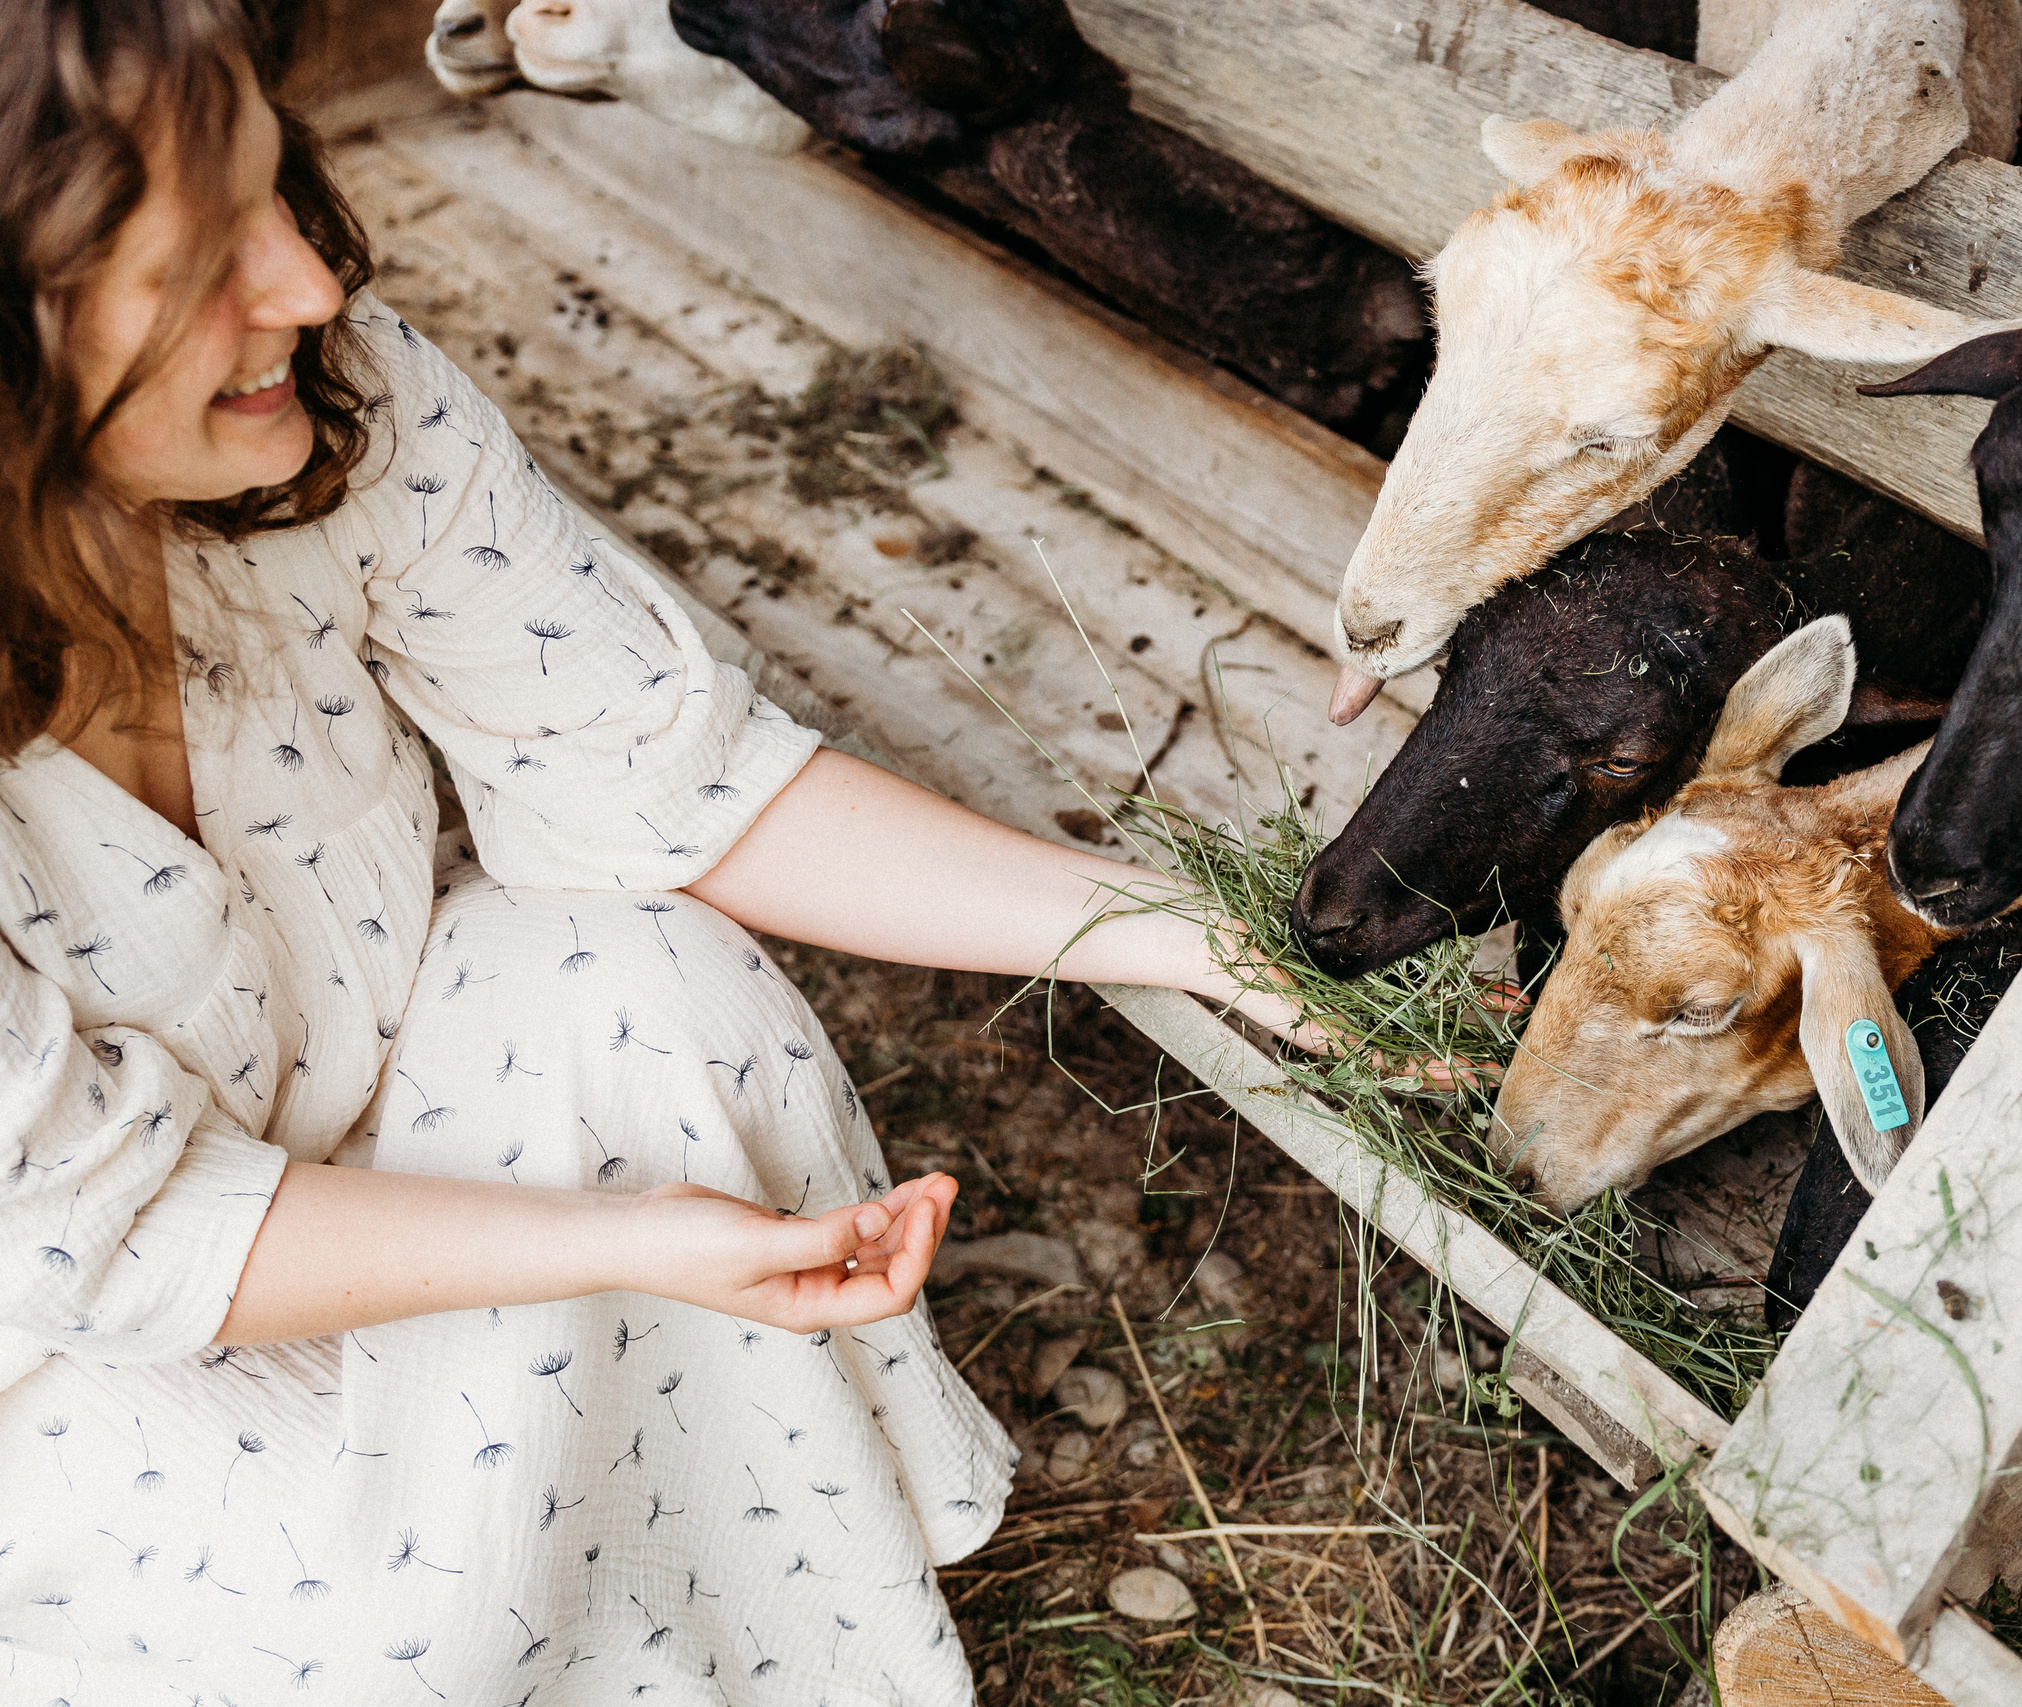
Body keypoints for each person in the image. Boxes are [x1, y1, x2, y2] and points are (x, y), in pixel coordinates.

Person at [0, 4, 1311, 1701]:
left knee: (630, 971)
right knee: (386, 1644)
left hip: (360, 1109)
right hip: (61, 1336)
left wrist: (1201, 937)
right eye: (196, 267)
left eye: (276, 189)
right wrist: (628, 1244)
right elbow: (107, 1238)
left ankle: (744, 1621)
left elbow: (667, 773)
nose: (308, 287)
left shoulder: (331, 400)